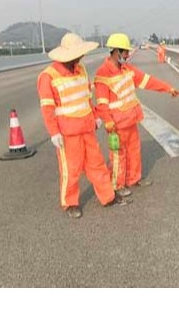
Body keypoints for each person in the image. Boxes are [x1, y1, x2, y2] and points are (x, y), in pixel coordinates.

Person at [37, 33, 132, 219]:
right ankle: (70, 203)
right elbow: (47, 108)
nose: (81, 57)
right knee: (70, 170)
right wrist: (53, 132)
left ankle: (108, 197)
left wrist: (95, 115)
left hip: (87, 128)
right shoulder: (48, 76)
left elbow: (87, 96)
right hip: (67, 133)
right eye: (78, 55)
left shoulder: (81, 69)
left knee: (97, 165)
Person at [94, 33, 179, 194]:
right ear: (116, 51)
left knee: (134, 150)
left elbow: (148, 81)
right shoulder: (103, 74)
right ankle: (118, 185)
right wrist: (107, 121)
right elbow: (102, 103)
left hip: (131, 119)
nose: (127, 55)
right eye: (125, 52)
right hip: (116, 123)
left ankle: (134, 179)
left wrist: (168, 88)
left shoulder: (127, 69)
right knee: (118, 155)